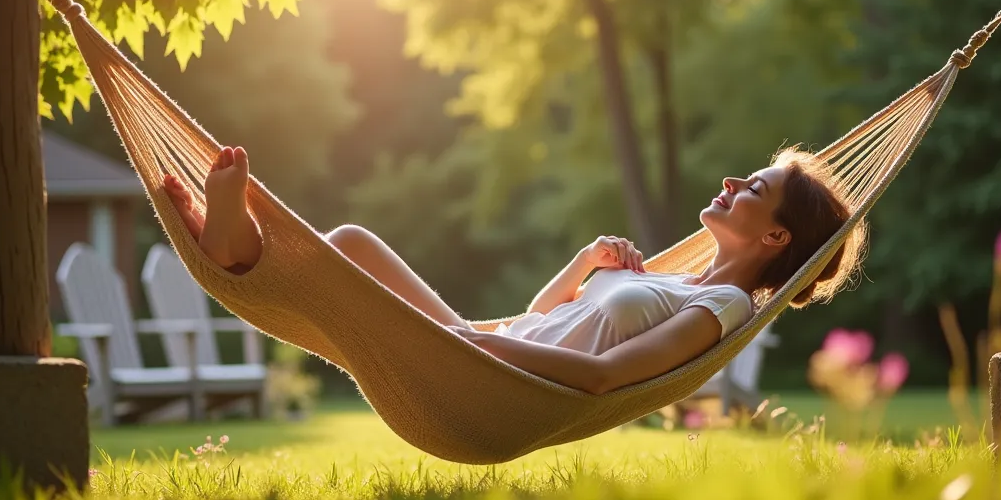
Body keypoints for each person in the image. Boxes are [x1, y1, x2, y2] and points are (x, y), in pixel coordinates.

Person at [163, 145, 864, 395]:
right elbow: (546, 317)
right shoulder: (681, 283)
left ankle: (237, 250)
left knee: (346, 255)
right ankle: (236, 252)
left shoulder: (722, 312)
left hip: (490, 374)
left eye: (755, 188)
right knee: (352, 241)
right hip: (486, 346)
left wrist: (474, 347)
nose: (732, 179)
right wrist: (588, 263)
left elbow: (601, 377)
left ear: (776, 234)